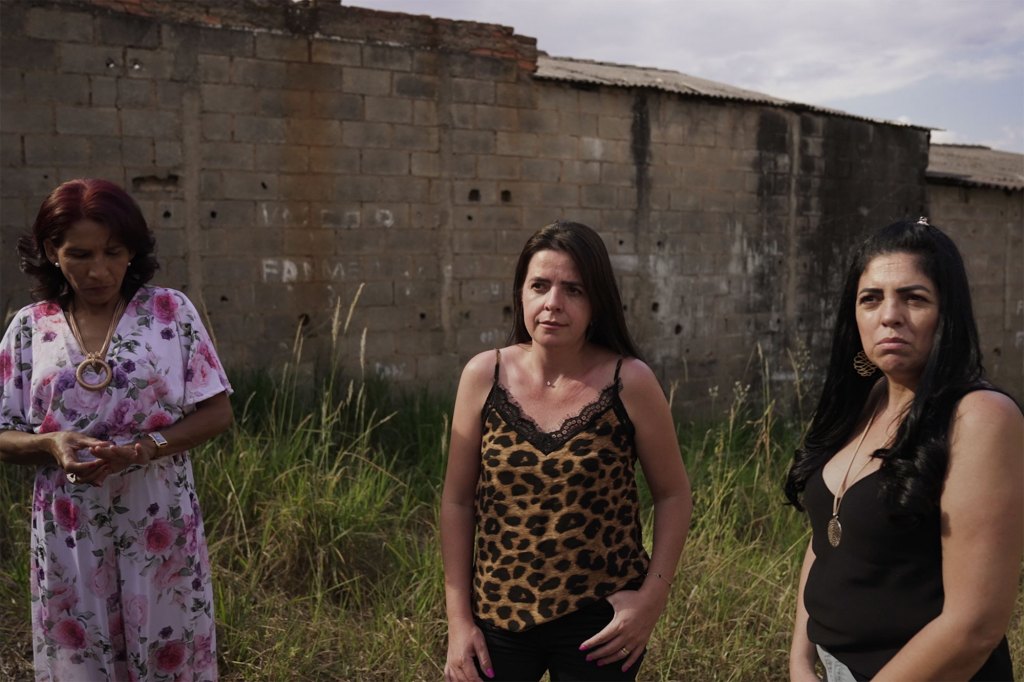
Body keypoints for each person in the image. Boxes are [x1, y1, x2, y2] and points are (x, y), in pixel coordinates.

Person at [0, 178, 233, 681]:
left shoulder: (169, 312)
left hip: (159, 517)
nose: (99, 269)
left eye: (114, 251)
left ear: (132, 250)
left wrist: (146, 448)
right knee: (82, 657)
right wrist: (48, 444)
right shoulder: (29, 327)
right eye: (79, 253)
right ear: (50, 251)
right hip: (69, 527)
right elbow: (2, 433)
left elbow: (217, 411)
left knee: (168, 651)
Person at [440, 220, 692, 682]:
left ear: (597, 303)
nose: (553, 303)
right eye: (540, 285)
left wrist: (651, 600)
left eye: (573, 290)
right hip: (498, 613)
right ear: (521, 294)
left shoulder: (629, 381)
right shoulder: (484, 375)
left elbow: (674, 495)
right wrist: (459, 621)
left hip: (600, 619)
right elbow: (457, 500)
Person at [785, 219, 1023, 681]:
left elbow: (974, 626)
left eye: (914, 298)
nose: (889, 315)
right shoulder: (862, 401)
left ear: (948, 314)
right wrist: (800, 658)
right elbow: (827, 539)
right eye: (870, 298)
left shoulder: (979, 418)